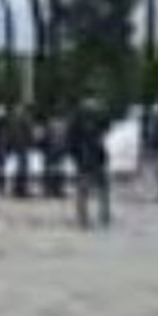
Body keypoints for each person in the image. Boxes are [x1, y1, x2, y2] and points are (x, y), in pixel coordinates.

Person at [67, 98, 112, 229]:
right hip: (92, 157)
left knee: (85, 190)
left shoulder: (77, 120)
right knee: (99, 188)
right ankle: (100, 216)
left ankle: (84, 218)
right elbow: (106, 127)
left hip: (85, 158)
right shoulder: (95, 119)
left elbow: (70, 141)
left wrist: (74, 156)